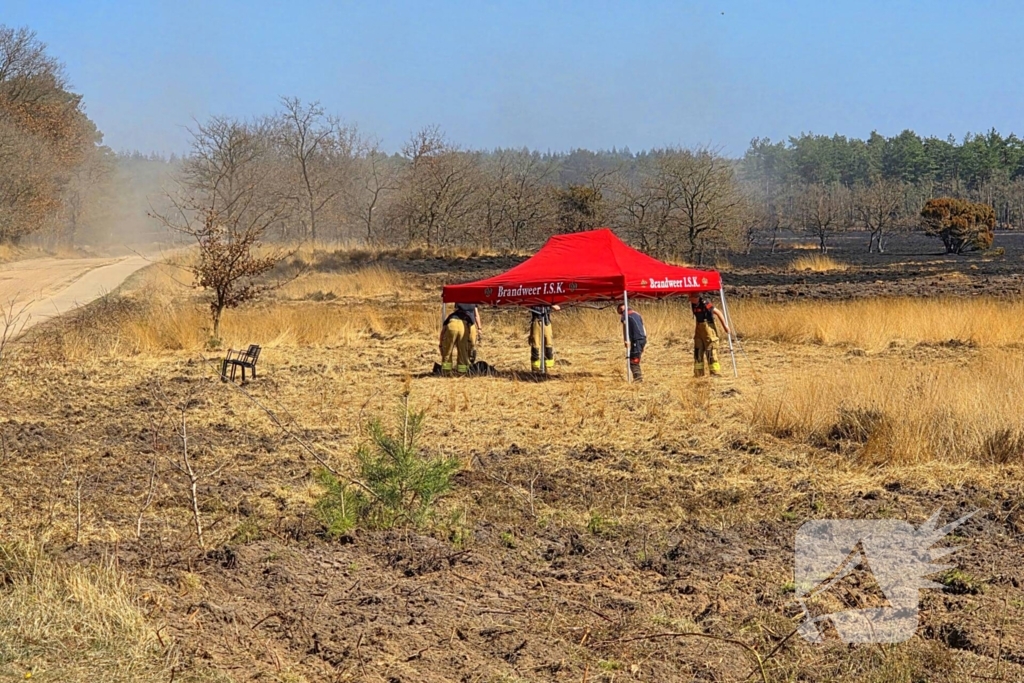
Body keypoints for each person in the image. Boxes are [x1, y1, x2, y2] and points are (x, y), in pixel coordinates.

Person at [688, 293, 730, 377]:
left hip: (709, 329)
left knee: (711, 351)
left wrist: (725, 326)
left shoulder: (705, 303)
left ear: (696, 297)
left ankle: (715, 373)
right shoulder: (693, 305)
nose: (689, 299)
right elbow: (697, 318)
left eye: (690, 297)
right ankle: (698, 374)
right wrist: (696, 331)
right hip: (699, 329)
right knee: (698, 351)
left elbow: (718, 312)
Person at [616, 302, 647, 382]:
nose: (620, 314)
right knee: (635, 357)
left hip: (636, 339)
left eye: (619, 312)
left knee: (633, 360)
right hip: (642, 338)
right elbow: (643, 327)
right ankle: (638, 378)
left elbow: (625, 327)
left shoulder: (625, 315)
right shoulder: (637, 314)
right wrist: (644, 341)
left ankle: (638, 380)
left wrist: (626, 340)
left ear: (621, 309)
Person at [528, 304, 560, 372]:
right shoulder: (533, 299)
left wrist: (552, 305)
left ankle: (548, 368)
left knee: (548, 343)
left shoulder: (548, 299)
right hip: (536, 321)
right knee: (535, 344)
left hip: (546, 322)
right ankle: (535, 369)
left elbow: (557, 308)